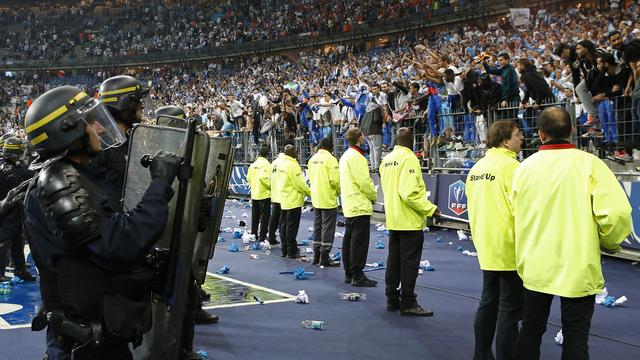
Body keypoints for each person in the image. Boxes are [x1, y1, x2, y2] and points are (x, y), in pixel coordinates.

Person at [23, 85, 181, 359]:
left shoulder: (76, 174)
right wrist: (159, 186)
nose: (100, 128)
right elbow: (120, 244)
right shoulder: (60, 182)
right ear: (68, 131)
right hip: (84, 340)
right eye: (90, 123)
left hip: (98, 331)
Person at [511, 107, 632, 359]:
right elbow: (618, 213)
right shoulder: (589, 164)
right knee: (576, 337)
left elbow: (515, 214)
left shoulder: (524, 168)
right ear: (572, 130)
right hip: (577, 263)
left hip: (535, 262)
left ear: (541, 134)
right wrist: (610, 241)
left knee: (530, 330)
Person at [466, 121, 524, 359]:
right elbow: (522, 208)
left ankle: (481, 354)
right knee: (509, 309)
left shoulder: (477, 168)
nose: (522, 138)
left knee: (488, 301)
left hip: (486, 243)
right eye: (518, 134)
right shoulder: (513, 168)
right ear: (504, 140)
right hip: (509, 245)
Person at [379, 127, 438, 316]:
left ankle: (392, 298)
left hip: (394, 218)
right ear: (411, 140)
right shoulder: (409, 158)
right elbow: (409, 193)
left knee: (394, 261)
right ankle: (408, 302)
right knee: (409, 263)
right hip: (409, 220)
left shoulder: (386, 160)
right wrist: (430, 208)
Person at [97, 75, 150, 208]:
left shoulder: (126, 139)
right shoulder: (103, 146)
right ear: (125, 104)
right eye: (138, 101)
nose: (142, 106)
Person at [339, 128, 378, 287]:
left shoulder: (345, 156)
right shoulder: (357, 157)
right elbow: (364, 182)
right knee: (359, 242)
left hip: (349, 202)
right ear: (359, 138)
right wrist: (374, 196)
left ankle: (349, 272)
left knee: (349, 239)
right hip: (359, 203)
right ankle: (357, 274)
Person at [0, 136, 35, 282]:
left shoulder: (8, 165)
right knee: (4, 241)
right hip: (6, 210)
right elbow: (27, 174)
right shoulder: (7, 169)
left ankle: (20, 269)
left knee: (17, 240)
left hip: (11, 209)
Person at [308, 137, 340, 267]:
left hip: (316, 197)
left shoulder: (312, 159)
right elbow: (335, 181)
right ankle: (325, 256)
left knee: (318, 226)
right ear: (330, 147)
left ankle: (316, 255)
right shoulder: (330, 160)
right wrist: (339, 191)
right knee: (328, 227)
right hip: (327, 197)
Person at [278, 144, 310, 258]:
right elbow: (299, 183)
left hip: (284, 199)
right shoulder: (292, 165)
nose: (297, 153)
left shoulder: (281, 163)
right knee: (291, 227)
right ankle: (291, 251)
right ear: (292, 153)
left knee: (284, 226)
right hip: (293, 200)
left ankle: (284, 249)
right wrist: (310, 193)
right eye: (295, 151)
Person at [267, 139, 294, 246]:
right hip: (284, 194)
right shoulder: (287, 163)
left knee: (274, 217)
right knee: (284, 220)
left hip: (275, 193)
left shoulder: (274, 162)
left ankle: (271, 236)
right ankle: (285, 240)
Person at [247, 145, 271, 243]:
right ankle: (262, 236)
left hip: (255, 193)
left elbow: (248, 178)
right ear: (267, 155)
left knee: (255, 215)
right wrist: (272, 187)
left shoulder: (253, 164)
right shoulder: (267, 164)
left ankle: (254, 233)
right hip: (264, 194)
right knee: (265, 217)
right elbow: (264, 178)